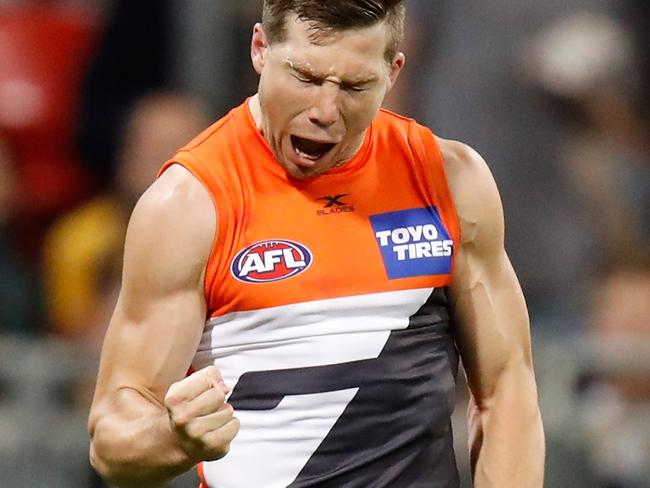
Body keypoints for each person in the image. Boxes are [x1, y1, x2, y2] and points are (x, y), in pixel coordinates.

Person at [88, 1, 545, 487]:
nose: (325, 112)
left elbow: (506, 387)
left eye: (354, 86)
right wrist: (174, 438)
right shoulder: (190, 204)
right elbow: (111, 439)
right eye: (305, 78)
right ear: (260, 48)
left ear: (393, 73)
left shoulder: (449, 181)